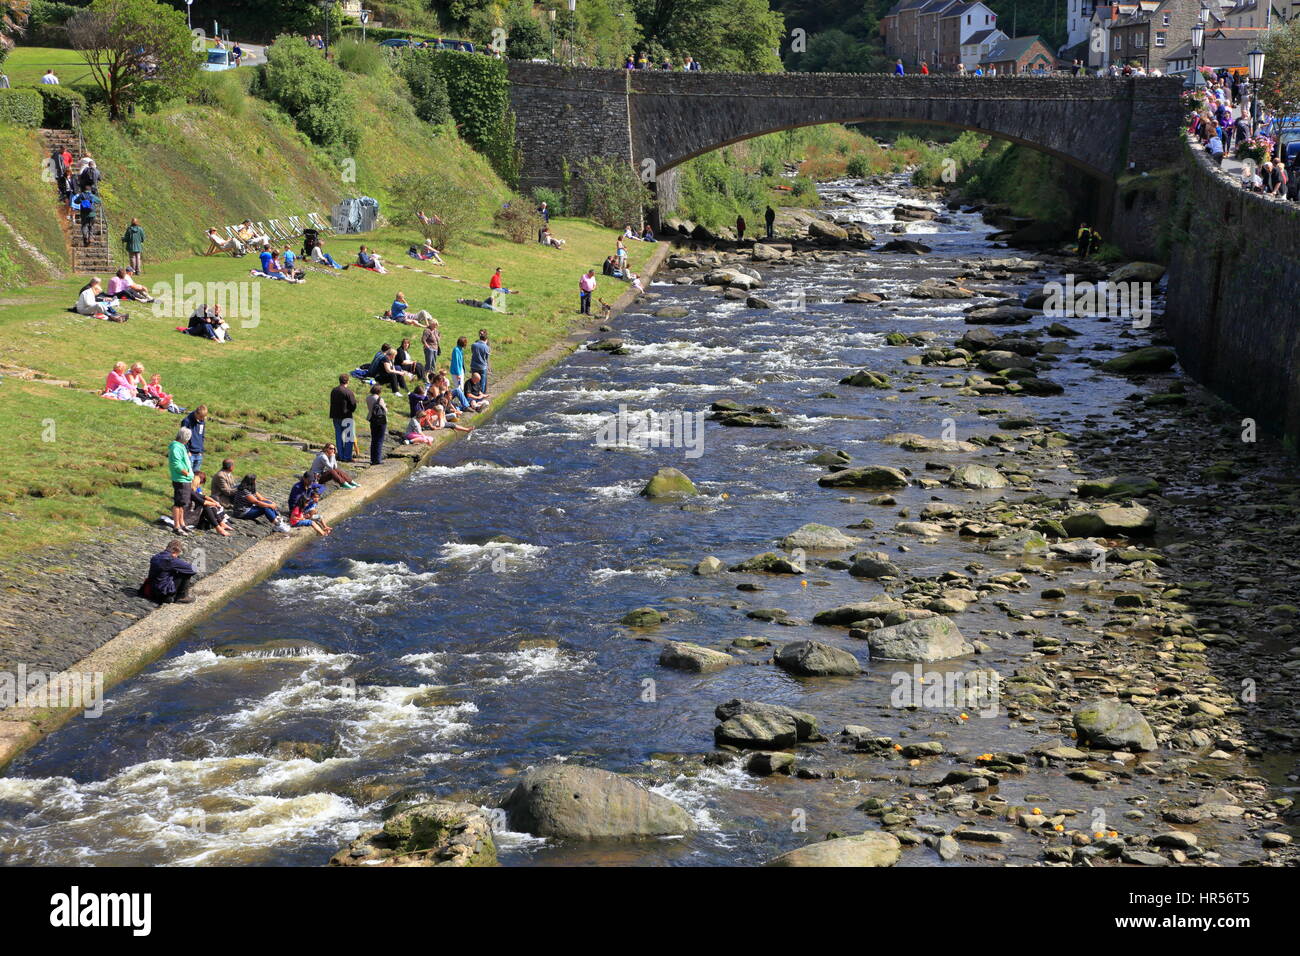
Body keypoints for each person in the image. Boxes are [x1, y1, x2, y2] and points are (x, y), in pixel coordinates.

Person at [186, 471, 233, 536]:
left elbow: (204, 496)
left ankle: (221, 523)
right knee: (206, 506)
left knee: (212, 499)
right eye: (199, 483)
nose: (199, 485)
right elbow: (203, 502)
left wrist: (214, 501)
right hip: (188, 517)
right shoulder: (189, 491)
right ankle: (218, 527)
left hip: (192, 513)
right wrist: (216, 504)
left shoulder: (191, 490)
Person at [168, 427, 195, 535]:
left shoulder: (181, 446)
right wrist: (187, 474)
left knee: (183, 503)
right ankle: (176, 526)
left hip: (185, 479)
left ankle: (182, 523)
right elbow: (176, 464)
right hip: (181, 479)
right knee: (178, 503)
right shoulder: (176, 447)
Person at [330, 373, 357, 462]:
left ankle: (341, 455)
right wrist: (350, 410)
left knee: (339, 437)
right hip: (346, 417)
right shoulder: (348, 392)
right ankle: (347, 457)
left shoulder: (334, 390)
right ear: (347, 381)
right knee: (349, 438)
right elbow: (353, 405)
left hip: (335, 416)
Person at [366, 385, 388, 465]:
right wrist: (385, 406)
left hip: (372, 419)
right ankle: (378, 459)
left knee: (374, 439)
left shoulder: (368, 398)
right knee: (380, 440)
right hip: (381, 420)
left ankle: (372, 459)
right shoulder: (380, 399)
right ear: (379, 391)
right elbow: (385, 410)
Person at [181, 405, 207, 472]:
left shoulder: (202, 421)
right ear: (196, 413)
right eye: (201, 417)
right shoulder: (186, 421)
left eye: (203, 417)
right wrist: (187, 451)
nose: (202, 419)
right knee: (188, 474)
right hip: (190, 453)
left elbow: (202, 436)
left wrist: (201, 450)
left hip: (198, 453)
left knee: (196, 476)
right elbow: (183, 437)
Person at [471, 328, 491, 393]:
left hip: (474, 366)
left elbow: (472, 352)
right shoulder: (486, 347)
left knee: (474, 380)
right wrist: (488, 367)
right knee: (482, 381)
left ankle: (474, 392)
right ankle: (481, 394)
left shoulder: (474, 345)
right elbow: (487, 358)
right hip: (482, 366)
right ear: (485, 339)